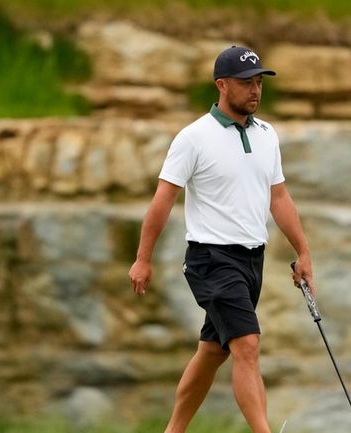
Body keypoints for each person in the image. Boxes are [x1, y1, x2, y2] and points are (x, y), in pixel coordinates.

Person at [128, 45, 316, 433]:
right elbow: (163, 199)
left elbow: (278, 198)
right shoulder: (193, 138)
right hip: (211, 259)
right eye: (246, 83)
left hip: (252, 261)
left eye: (259, 82)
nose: (255, 91)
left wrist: (303, 251)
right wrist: (143, 258)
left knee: (213, 351)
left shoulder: (267, 135)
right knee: (247, 345)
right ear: (221, 85)